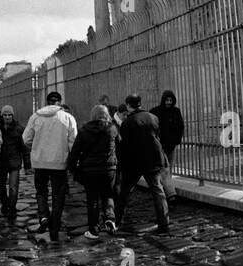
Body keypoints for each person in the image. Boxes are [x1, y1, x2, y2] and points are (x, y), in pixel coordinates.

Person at [22, 91, 78, 241]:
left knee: (41, 191)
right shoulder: (67, 118)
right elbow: (74, 142)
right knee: (58, 195)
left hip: (40, 162)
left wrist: (36, 147)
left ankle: (43, 217)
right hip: (59, 162)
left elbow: (26, 139)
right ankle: (55, 226)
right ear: (60, 102)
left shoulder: (36, 117)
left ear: (46, 102)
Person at [115, 94, 170, 234]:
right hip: (153, 159)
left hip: (134, 161)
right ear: (140, 103)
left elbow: (125, 145)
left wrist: (121, 165)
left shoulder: (127, 122)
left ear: (128, 105)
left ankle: (116, 220)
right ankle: (164, 223)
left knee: (125, 191)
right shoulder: (153, 117)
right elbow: (157, 136)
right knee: (158, 191)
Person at [67, 103, 119, 238]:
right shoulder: (112, 129)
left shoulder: (84, 130)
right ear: (106, 115)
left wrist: (73, 170)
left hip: (89, 171)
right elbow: (121, 146)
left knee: (93, 199)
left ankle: (94, 230)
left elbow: (75, 152)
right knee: (108, 195)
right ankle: (110, 218)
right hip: (109, 169)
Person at [0, 105, 31, 223]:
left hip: (14, 162)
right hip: (0, 162)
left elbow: (24, 149)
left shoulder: (19, 129)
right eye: (5, 115)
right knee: (1, 187)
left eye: (9, 115)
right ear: (2, 116)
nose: (7, 117)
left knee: (13, 187)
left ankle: (12, 208)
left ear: (12, 116)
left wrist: (27, 164)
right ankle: (5, 204)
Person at [150, 90, 185, 204]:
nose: (168, 102)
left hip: (171, 144)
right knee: (165, 169)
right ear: (163, 100)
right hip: (160, 145)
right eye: (167, 100)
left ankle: (165, 191)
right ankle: (171, 194)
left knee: (168, 169)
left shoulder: (176, 111)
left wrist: (177, 140)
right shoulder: (156, 111)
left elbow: (180, 126)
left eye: (170, 100)